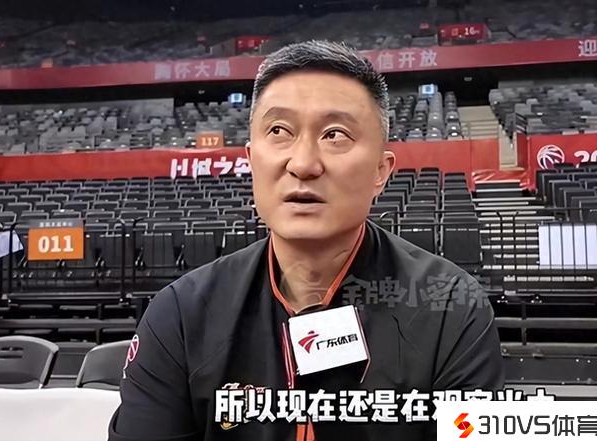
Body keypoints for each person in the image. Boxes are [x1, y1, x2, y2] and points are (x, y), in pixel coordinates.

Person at [108, 40, 504, 441]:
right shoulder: (180, 314)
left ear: (380, 172)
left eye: (335, 135)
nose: (303, 164)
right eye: (279, 131)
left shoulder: (452, 308)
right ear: (251, 159)